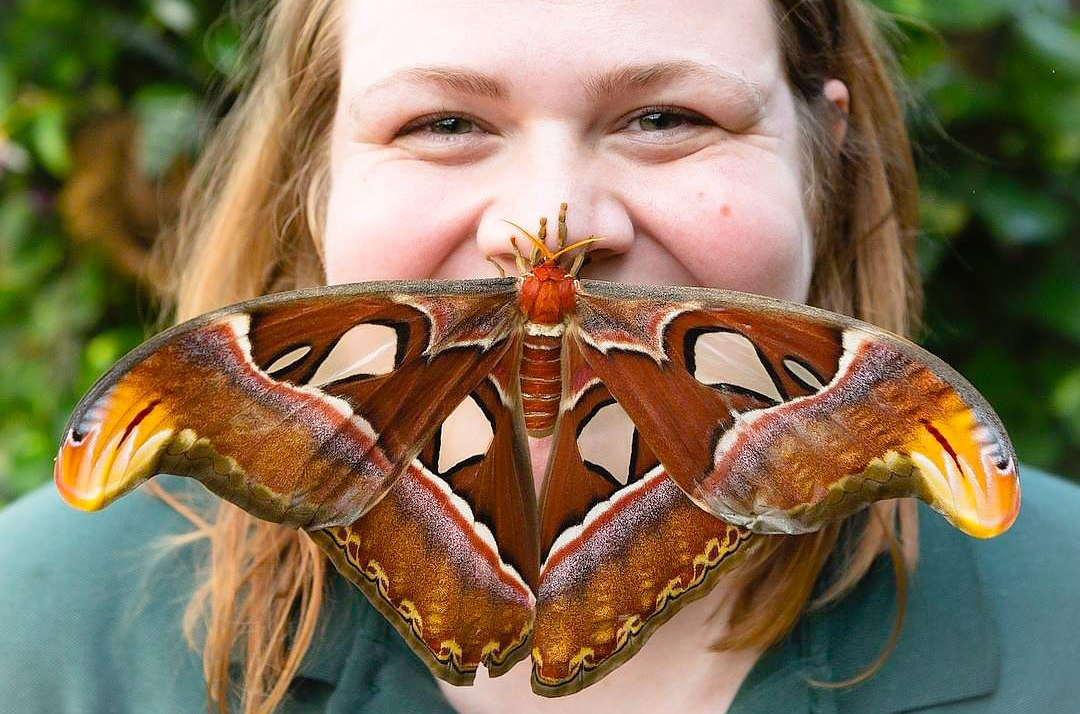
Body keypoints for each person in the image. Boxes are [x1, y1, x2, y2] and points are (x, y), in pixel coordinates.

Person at [1, 0, 1078, 712]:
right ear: (317, 170)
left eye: (666, 115)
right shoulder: (46, 630)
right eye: (442, 123)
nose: (545, 220)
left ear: (822, 151)